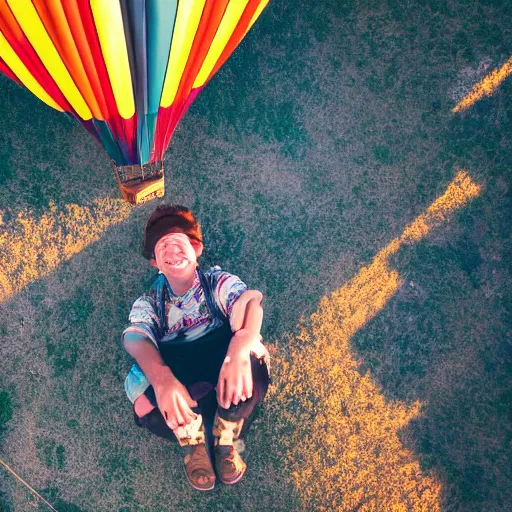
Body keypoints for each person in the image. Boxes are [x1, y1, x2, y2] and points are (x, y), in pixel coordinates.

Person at [122, 204, 270, 491]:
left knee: (252, 363)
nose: (172, 250)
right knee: (142, 402)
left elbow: (250, 302)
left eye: (179, 242)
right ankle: (195, 439)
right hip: (178, 373)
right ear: (155, 262)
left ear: (196, 249)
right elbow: (135, 338)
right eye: (162, 246)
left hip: (223, 361)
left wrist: (240, 346)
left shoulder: (216, 282)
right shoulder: (150, 303)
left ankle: (226, 435)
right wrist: (162, 380)